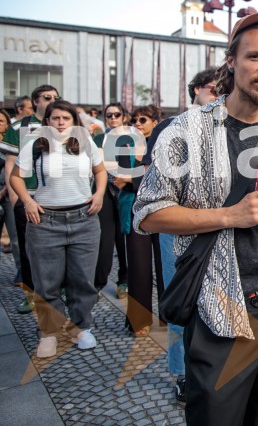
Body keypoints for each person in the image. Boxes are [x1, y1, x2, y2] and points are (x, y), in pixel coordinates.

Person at [134, 11, 258, 426]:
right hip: (223, 305)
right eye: (255, 57)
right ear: (231, 60)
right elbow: (147, 213)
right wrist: (229, 215)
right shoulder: (187, 130)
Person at [138, 66, 219, 404]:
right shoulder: (170, 127)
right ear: (196, 90)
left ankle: (212, 368)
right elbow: (150, 184)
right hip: (177, 230)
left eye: (222, 90)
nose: (217, 96)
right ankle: (184, 374)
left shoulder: (226, 128)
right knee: (180, 302)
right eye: (213, 89)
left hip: (218, 228)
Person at [10, 100, 107, 358]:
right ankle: (49, 333)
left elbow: (101, 171)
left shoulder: (85, 143)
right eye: (55, 118)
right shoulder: (35, 145)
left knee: (82, 280)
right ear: (48, 121)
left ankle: (80, 328)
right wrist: (28, 201)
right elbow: (15, 177)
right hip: (45, 222)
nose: (61, 122)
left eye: (66, 118)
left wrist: (99, 194)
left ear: (74, 121)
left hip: (84, 219)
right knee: (46, 281)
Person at [1, 84, 61, 314]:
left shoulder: (63, 125)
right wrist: (18, 198)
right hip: (28, 195)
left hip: (56, 197)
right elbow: (10, 164)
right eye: (47, 97)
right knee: (28, 248)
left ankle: (58, 290)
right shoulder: (19, 126)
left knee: (56, 248)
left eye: (56, 97)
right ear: (35, 101)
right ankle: (31, 294)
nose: (52, 100)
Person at [120, 104, 164, 337]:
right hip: (136, 211)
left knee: (167, 263)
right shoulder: (125, 145)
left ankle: (169, 315)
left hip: (165, 209)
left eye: (143, 119)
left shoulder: (165, 141)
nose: (137, 123)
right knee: (138, 266)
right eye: (134, 120)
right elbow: (117, 178)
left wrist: (133, 177)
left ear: (155, 122)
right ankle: (138, 321)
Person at [92, 103, 131, 297]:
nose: (113, 118)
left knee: (124, 238)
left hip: (127, 191)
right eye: (109, 115)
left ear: (124, 116)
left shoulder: (133, 137)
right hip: (105, 190)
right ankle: (99, 281)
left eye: (117, 114)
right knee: (104, 239)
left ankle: (124, 280)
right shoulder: (99, 138)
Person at [0, 110, 20, 260]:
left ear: (7, 124)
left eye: (1, 121)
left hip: (9, 192)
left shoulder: (12, 143)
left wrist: (6, 189)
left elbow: (14, 169)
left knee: (16, 237)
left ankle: (22, 273)